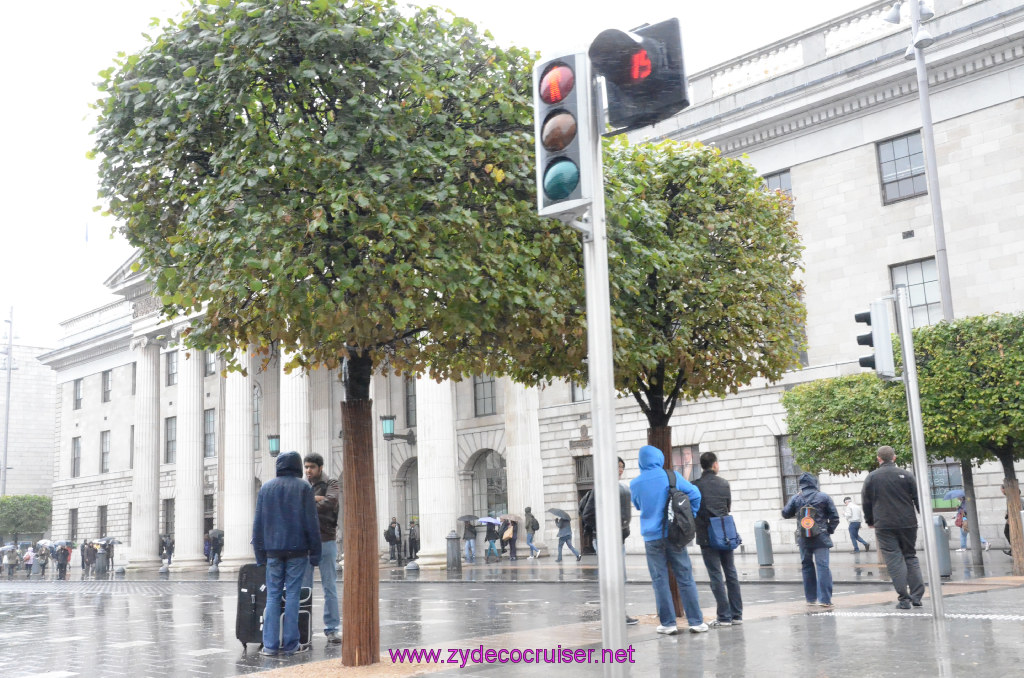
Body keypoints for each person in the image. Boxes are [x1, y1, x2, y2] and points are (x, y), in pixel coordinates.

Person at [251, 450, 322, 657]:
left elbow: (258, 525)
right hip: (298, 550)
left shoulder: (266, 488)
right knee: (292, 595)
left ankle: (270, 645)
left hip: (273, 551)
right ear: (298, 466)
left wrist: (259, 554)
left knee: (272, 596)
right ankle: (291, 644)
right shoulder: (303, 487)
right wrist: (315, 553)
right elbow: (312, 523)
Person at [630, 444, 706, 635]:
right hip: (674, 534)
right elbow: (695, 494)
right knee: (685, 577)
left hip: (651, 537)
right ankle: (696, 621)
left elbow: (638, 506)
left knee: (659, 579)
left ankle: (668, 623)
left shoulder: (635, 483)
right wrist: (690, 515)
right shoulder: (671, 476)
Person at [861, 445, 925, 610]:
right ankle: (917, 596)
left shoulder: (872, 478)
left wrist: (870, 520)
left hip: (884, 524)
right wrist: (921, 514)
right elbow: (918, 498)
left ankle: (904, 598)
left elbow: (866, 502)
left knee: (894, 560)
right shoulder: (907, 475)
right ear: (894, 458)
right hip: (908, 522)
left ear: (879, 459)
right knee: (910, 556)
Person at [694, 452, 743, 627]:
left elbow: (695, 510)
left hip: (706, 534)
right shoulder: (724, 484)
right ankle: (737, 615)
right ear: (715, 465)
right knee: (731, 573)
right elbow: (727, 506)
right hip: (725, 533)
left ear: (702, 466)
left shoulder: (695, 485)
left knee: (716, 576)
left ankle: (724, 616)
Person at [782, 472, 840, 608]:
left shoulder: (796, 498)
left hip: (803, 538)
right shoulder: (824, 497)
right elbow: (835, 517)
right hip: (821, 537)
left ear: (801, 484)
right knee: (823, 567)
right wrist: (828, 530)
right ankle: (825, 599)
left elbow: (785, 513)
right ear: (815, 482)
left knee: (807, 567)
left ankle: (811, 598)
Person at [302, 452, 342, 645]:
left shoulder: (332, 483)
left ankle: (332, 629)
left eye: (311, 467)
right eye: (306, 467)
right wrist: (316, 499)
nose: (308, 471)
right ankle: (303, 627)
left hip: (326, 540)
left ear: (320, 468)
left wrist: (310, 501)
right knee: (304, 588)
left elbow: (330, 503)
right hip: (306, 542)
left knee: (330, 587)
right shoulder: (303, 486)